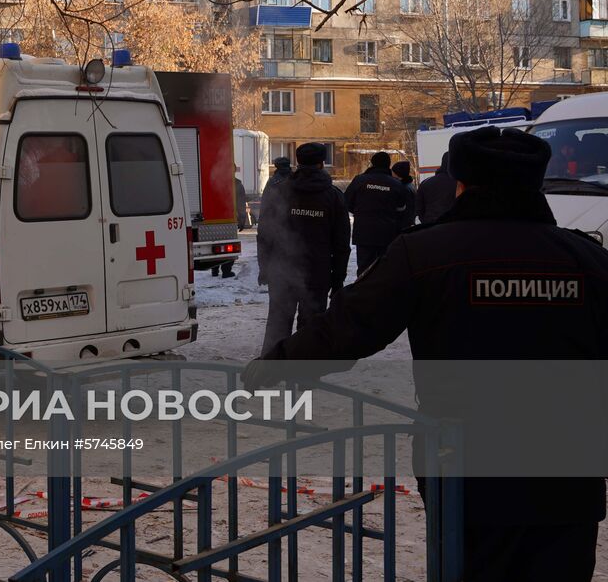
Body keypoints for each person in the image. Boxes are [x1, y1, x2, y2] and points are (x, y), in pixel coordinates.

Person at [246, 127, 608, 581]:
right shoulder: (587, 261)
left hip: (465, 468)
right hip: (566, 472)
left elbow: (349, 328)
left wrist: (276, 363)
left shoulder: (427, 253)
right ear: (535, 183)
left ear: (461, 184)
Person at [257, 142, 351, 352]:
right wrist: (338, 280)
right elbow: (341, 243)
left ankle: (268, 372)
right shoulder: (333, 196)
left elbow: (265, 234)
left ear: (298, 162)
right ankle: (303, 376)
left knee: (278, 325)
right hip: (317, 274)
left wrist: (265, 267)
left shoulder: (279, 191)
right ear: (321, 163)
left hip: (282, 272)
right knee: (311, 329)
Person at [343, 151, 409, 274]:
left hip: (364, 233)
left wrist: (361, 212)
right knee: (385, 269)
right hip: (387, 234)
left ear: (372, 164)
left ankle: (363, 291)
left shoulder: (359, 180)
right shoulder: (395, 184)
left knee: (364, 269)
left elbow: (346, 203)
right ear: (388, 165)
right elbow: (401, 208)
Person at [416, 152, 457, 224]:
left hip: (431, 225)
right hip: (453, 224)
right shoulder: (459, 183)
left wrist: (425, 221)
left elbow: (419, 208)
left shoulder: (426, 182)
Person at [391, 160, 417, 230]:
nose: (391, 174)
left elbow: (407, 210)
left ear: (398, 174)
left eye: (393, 172)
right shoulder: (409, 186)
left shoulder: (404, 188)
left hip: (404, 225)